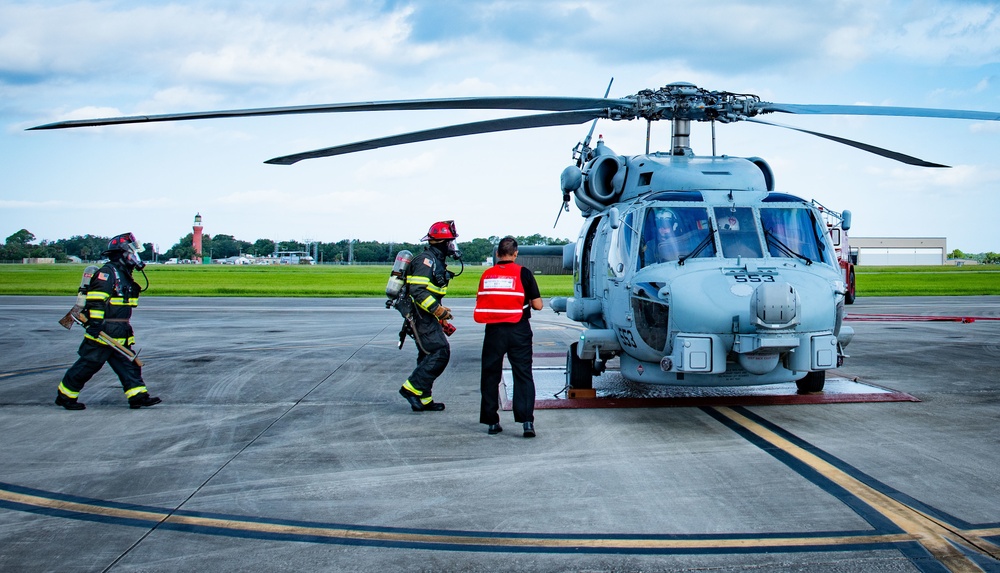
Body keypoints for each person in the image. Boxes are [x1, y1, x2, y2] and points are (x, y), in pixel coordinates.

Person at [55, 233, 161, 410]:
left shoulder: (123, 274)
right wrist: (96, 324)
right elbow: (96, 300)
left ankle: (138, 396)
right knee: (88, 365)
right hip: (104, 330)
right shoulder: (107, 273)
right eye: (131, 253)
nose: (134, 257)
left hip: (119, 329)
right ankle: (65, 396)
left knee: (129, 364)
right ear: (122, 254)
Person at [474, 236, 543, 437]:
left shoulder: (487, 274)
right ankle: (527, 422)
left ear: (497, 254)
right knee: (522, 374)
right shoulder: (524, 273)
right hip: (518, 329)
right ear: (515, 253)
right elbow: (538, 305)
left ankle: (491, 422)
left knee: (490, 374)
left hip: (494, 330)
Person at [398, 220, 462, 412]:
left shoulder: (435, 260)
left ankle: (424, 398)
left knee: (427, 354)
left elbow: (430, 292)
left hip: (425, 315)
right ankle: (411, 389)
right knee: (440, 351)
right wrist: (436, 310)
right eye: (450, 242)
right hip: (420, 316)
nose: (453, 246)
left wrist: (440, 313)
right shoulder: (426, 261)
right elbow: (418, 292)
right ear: (442, 243)